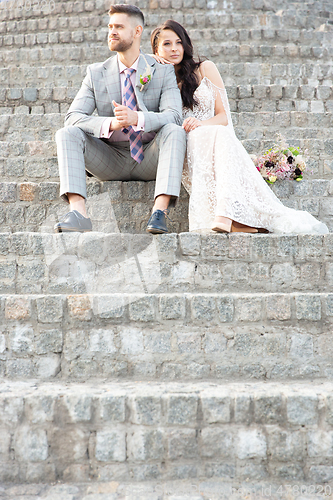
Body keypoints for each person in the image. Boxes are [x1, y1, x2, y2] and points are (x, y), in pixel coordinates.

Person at [151, 20, 329, 235]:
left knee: (219, 132)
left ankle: (225, 215)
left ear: (186, 45)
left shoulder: (205, 68)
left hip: (214, 135)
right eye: (166, 44)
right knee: (209, 135)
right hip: (187, 145)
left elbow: (224, 116)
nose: (173, 49)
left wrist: (200, 123)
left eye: (178, 42)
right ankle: (230, 218)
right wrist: (150, 64)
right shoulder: (160, 82)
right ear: (156, 50)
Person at [54, 5, 186, 234]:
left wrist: (138, 118)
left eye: (119, 27)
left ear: (137, 31)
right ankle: (78, 213)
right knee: (67, 133)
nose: (112, 32)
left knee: (175, 131)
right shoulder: (96, 72)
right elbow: (73, 117)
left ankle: (159, 212)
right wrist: (110, 124)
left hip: (149, 157)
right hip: (109, 159)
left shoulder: (162, 71)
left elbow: (174, 115)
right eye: (110, 27)